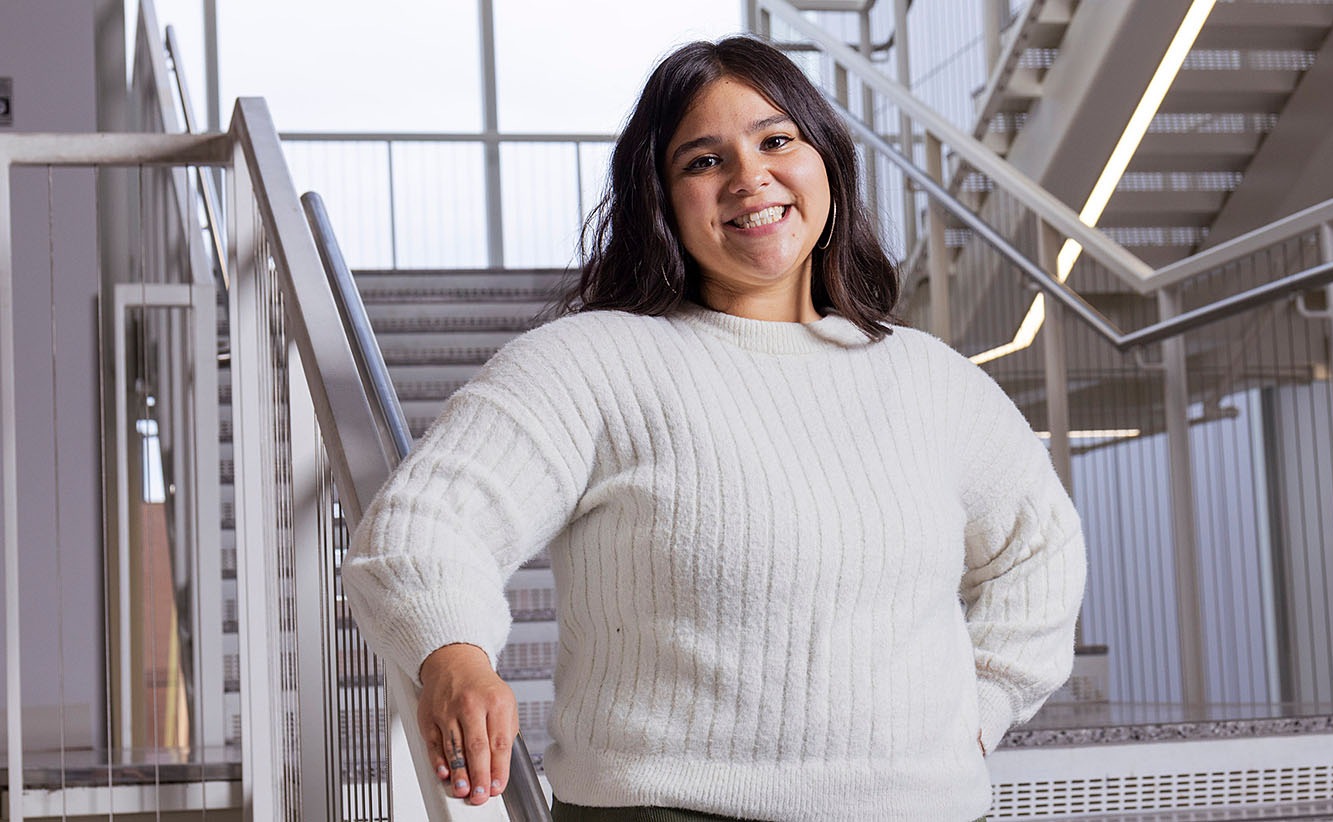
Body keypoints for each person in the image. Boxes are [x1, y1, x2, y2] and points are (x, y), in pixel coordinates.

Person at [342, 35, 1085, 822]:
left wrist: (984, 708)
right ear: (661, 199)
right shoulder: (591, 363)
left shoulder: (932, 379)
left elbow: (1039, 554)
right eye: (703, 161)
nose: (749, 178)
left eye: (776, 141)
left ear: (825, 160)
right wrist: (453, 656)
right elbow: (423, 526)